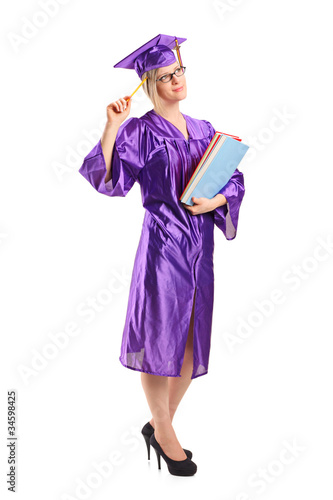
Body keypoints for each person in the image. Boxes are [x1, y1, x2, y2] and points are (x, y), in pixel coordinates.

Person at [78, 34, 245, 476]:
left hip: (200, 249)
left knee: (191, 336)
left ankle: (158, 422)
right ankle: (165, 429)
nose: (176, 80)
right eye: (166, 75)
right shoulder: (140, 131)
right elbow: (108, 180)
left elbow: (232, 179)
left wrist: (218, 202)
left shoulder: (206, 130)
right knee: (159, 339)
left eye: (180, 72)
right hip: (162, 246)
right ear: (150, 82)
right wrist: (112, 127)